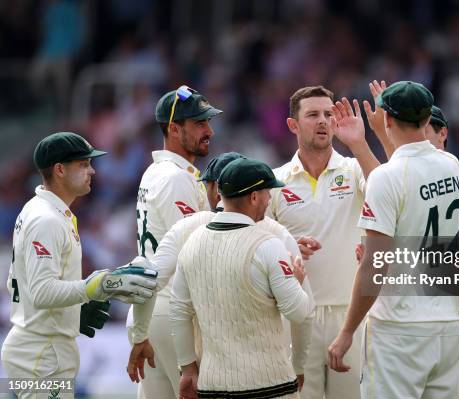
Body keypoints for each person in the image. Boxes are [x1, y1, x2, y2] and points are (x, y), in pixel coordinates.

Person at [126, 153, 316, 390]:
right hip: (261, 366)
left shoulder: (188, 229)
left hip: (174, 332)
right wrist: (298, 366)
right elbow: (303, 314)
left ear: (217, 189)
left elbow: (150, 280)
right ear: (253, 195)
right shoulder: (275, 236)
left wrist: (139, 333)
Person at [364, 83, 459, 399]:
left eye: (432, 128)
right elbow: (403, 178)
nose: (425, 134)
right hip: (436, 318)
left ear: (443, 134)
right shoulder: (430, 173)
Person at [327, 81, 459, 399]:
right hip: (446, 324)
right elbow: (407, 178)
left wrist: (347, 331)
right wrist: (377, 135)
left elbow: (375, 265)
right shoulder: (451, 164)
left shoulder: (387, 177)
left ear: (387, 119)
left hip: (400, 328)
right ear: (428, 118)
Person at [1, 132, 158, 399]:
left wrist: (72, 312)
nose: (93, 171)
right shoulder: (46, 219)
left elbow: (23, 284)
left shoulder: (44, 211)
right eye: (83, 164)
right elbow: (41, 292)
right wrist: (95, 286)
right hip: (42, 353)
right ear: (60, 170)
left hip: (42, 347)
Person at [266, 85, 380, 399]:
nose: (323, 121)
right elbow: (258, 242)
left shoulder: (355, 168)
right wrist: (286, 245)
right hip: (296, 316)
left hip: (351, 315)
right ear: (293, 125)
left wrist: (359, 144)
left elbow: (387, 192)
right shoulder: (275, 181)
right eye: (313, 114)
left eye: (329, 114)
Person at [127, 85, 223, 399]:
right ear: (173, 128)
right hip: (174, 313)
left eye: (208, 122)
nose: (209, 130)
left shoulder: (155, 172)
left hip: (155, 311)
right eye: (199, 123)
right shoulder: (176, 178)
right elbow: (197, 254)